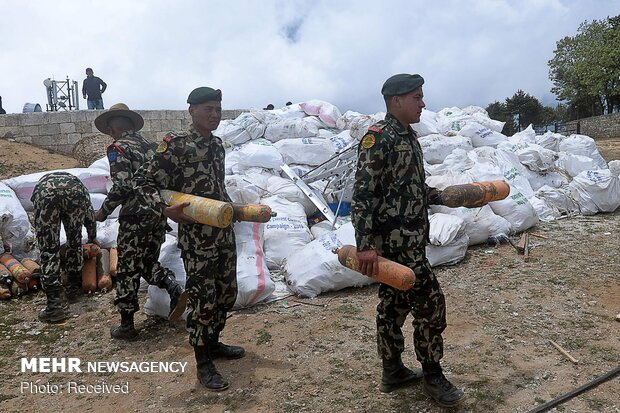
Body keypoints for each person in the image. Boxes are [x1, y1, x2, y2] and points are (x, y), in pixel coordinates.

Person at [350, 73, 464, 407]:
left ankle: (392, 370)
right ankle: (432, 374)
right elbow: (363, 194)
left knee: (393, 305)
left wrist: (438, 195)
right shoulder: (379, 137)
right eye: (417, 97)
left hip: (412, 240)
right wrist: (366, 244)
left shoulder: (409, 136)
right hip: (396, 244)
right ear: (396, 101)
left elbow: (405, 187)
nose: (423, 103)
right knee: (431, 305)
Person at [134, 87, 244, 391]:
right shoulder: (175, 146)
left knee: (226, 292)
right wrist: (165, 208)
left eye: (218, 109)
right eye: (208, 109)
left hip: (222, 231)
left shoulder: (217, 146)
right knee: (202, 299)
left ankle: (214, 343)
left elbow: (217, 188)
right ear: (191, 111)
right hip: (197, 238)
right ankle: (202, 362)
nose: (215, 115)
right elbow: (144, 182)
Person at [93, 103, 185, 340]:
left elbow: (123, 185)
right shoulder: (153, 147)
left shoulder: (118, 148)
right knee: (146, 261)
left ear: (115, 127)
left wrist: (104, 210)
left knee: (127, 268)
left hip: (135, 216)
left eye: (110, 129)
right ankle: (173, 287)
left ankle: (127, 324)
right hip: (158, 213)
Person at [31, 172, 97, 323]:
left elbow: (38, 219)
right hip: (75, 195)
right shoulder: (79, 186)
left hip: (46, 195)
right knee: (75, 242)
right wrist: (92, 236)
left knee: (49, 248)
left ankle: (54, 305)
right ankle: (73, 288)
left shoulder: (42, 185)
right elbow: (89, 216)